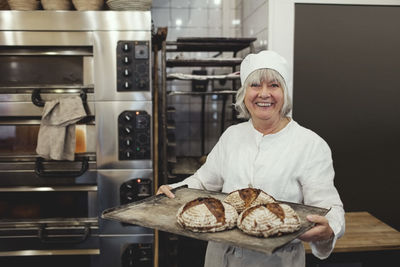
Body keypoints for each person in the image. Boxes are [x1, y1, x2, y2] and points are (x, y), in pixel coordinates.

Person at [157, 50, 345, 267]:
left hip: (276, 261)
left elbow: (330, 208)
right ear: (244, 93)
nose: (264, 94)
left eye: (274, 85)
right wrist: (175, 190)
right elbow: (202, 181)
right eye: (255, 85)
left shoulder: (310, 144)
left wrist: (329, 229)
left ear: (285, 93)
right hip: (221, 257)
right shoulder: (232, 136)